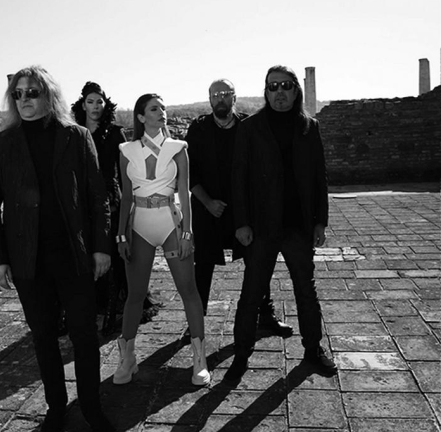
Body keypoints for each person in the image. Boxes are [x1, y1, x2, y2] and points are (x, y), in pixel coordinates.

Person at [0, 65, 117, 432]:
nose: (24, 99)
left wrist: (101, 247)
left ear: (49, 95)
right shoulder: (3, 143)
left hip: (73, 254)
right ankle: (56, 407)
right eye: (18, 93)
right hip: (28, 259)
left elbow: (97, 197)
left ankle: (92, 408)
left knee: (84, 336)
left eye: (32, 92)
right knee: (43, 337)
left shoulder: (76, 137)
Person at [226, 65, 337, 382]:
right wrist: (241, 223)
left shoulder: (309, 127)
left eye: (285, 85)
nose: (279, 92)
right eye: (272, 86)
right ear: (265, 91)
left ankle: (313, 350)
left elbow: (319, 177)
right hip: (261, 227)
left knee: (306, 291)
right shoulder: (250, 128)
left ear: (295, 90)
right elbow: (238, 179)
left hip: (299, 226)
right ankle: (241, 355)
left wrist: (320, 221)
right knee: (251, 293)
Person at [113, 93, 210, 386]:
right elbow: (126, 197)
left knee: (188, 290)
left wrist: (188, 233)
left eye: (164, 108)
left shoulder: (178, 148)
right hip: (139, 225)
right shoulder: (126, 150)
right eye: (154, 109)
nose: (162, 112)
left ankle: (199, 359)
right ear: (141, 117)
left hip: (171, 222)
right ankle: (127, 359)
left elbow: (185, 194)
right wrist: (121, 235)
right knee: (135, 294)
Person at [185, 78, 293, 337]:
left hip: (245, 209)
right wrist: (207, 202)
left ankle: (265, 315)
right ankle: (195, 323)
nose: (220, 99)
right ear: (209, 99)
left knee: (257, 261)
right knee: (203, 266)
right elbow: (188, 171)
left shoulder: (250, 126)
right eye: (215, 95)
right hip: (208, 208)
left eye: (225, 94)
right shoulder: (198, 129)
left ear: (234, 97)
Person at [71, 82, 127, 333]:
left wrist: (127, 205)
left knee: (111, 253)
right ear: (83, 105)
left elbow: (125, 174)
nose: (95, 106)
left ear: (106, 105)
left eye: (99, 102)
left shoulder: (115, 133)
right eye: (90, 102)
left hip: (110, 199)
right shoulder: (72, 132)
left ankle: (113, 306)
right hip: (81, 199)